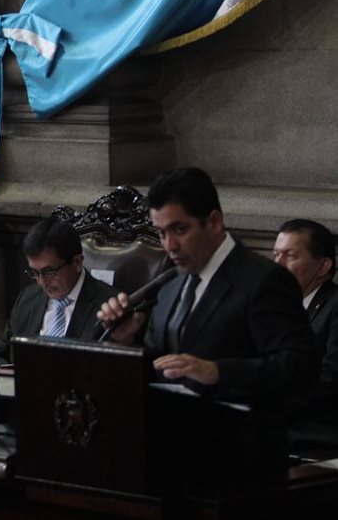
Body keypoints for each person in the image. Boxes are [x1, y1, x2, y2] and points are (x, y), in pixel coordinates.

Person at [98, 167, 318, 484]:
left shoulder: (263, 280)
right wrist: (127, 341)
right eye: (161, 233)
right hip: (173, 462)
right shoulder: (171, 283)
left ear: (214, 221)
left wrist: (218, 372)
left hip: (240, 469)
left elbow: (300, 368)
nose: (169, 245)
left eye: (180, 229)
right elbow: (167, 366)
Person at [0, 218, 119, 363]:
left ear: (77, 263)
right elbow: (1, 352)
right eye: (34, 272)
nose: (42, 282)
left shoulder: (110, 307)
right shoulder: (27, 298)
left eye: (49, 272)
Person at [274, 218, 338, 449]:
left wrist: (275, 406)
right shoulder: (275, 306)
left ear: (322, 267)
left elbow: (332, 379)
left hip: (316, 426)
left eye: (290, 256)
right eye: (276, 255)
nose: (277, 265)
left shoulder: (334, 305)